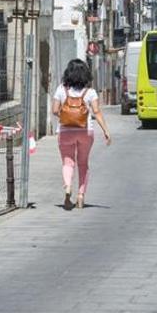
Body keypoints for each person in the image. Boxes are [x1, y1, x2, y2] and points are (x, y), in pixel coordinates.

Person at [52, 59, 111, 210]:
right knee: (83, 163)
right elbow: (97, 112)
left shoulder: (61, 89)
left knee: (67, 162)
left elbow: (54, 110)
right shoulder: (90, 92)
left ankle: (67, 187)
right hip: (86, 131)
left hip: (65, 131)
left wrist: (67, 116)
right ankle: (80, 195)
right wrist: (106, 130)